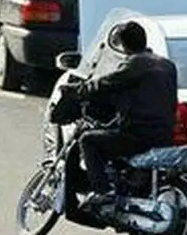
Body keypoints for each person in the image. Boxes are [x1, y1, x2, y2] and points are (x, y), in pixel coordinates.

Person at [72, 21, 179, 208]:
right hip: (165, 135)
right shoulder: (167, 65)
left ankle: (103, 191)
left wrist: (80, 89)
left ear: (123, 45)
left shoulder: (134, 64)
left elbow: (106, 83)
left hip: (138, 136)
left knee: (88, 140)